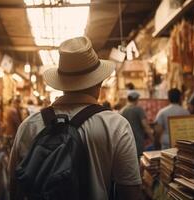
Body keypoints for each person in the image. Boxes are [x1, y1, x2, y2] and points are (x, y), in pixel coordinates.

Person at [9, 37, 144, 200]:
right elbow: (130, 193)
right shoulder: (115, 125)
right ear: (99, 81)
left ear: (61, 82)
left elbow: (15, 187)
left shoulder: (29, 126)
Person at [120, 91, 153, 156]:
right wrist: (152, 138)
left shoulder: (122, 110)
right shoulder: (138, 109)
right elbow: (145, 125)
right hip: (138, 142)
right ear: (136, 99)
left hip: (126, 143)